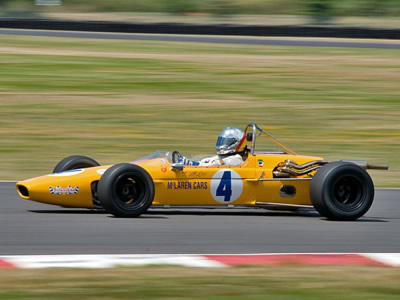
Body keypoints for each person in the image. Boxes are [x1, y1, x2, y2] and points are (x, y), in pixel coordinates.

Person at [175, 127, 248, 166]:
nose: (223, 144)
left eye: (227, 141)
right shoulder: (224, 157)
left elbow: (216, 164)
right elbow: (206, 162)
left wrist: (192, 164)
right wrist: (191, 163)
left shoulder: (236, 159)